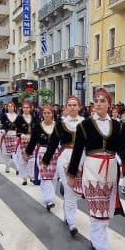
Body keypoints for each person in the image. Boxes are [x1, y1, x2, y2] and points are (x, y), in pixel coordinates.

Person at [67, 88, 125, 250]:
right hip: (92, 170)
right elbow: (77, 152)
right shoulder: (84, 126)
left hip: (111, 170)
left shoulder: (117, 126)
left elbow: (123, 147)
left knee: (107, 210)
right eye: (96, 100)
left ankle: (97, 239)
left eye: (103, 100)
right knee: (97, 209)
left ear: (109, 104)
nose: (98, 103)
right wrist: (72, 175)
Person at [44, 95, 83, 236]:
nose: (72, 107)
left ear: (79, 107)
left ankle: (68, 214)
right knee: (70, 189)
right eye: (69, 105)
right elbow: (53, 143)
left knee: (77, 191)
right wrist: (46, 159)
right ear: (66, 108)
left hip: (82, 158)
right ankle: (72, 222)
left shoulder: (86, 123)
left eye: (74, 105)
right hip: (65, 157)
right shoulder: (60, 124)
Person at [25, 104, 59, 212]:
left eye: (49, 113)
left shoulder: (58, 126)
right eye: (45, 113)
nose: (47, 115)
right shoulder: (38, 127)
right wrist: (28, 152)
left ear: (52, 114)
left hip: (55, 153)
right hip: (42, 153)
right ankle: (49, 200)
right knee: (45, 176)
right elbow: (33, 141)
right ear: (42, 114)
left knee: (53, 177)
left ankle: (49, 196)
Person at [0, 100, 19, 173]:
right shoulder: (5, 115)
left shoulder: (17, 116)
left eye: (12, 106)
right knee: (6, 154)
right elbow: (2, 125)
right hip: (7, 136)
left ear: (14, 107)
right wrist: (2, 130)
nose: (10, 108)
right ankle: (7, 166)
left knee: (15, 153)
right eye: (9, 106)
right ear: (7, 107)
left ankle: (18, 168)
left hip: (15, 136)